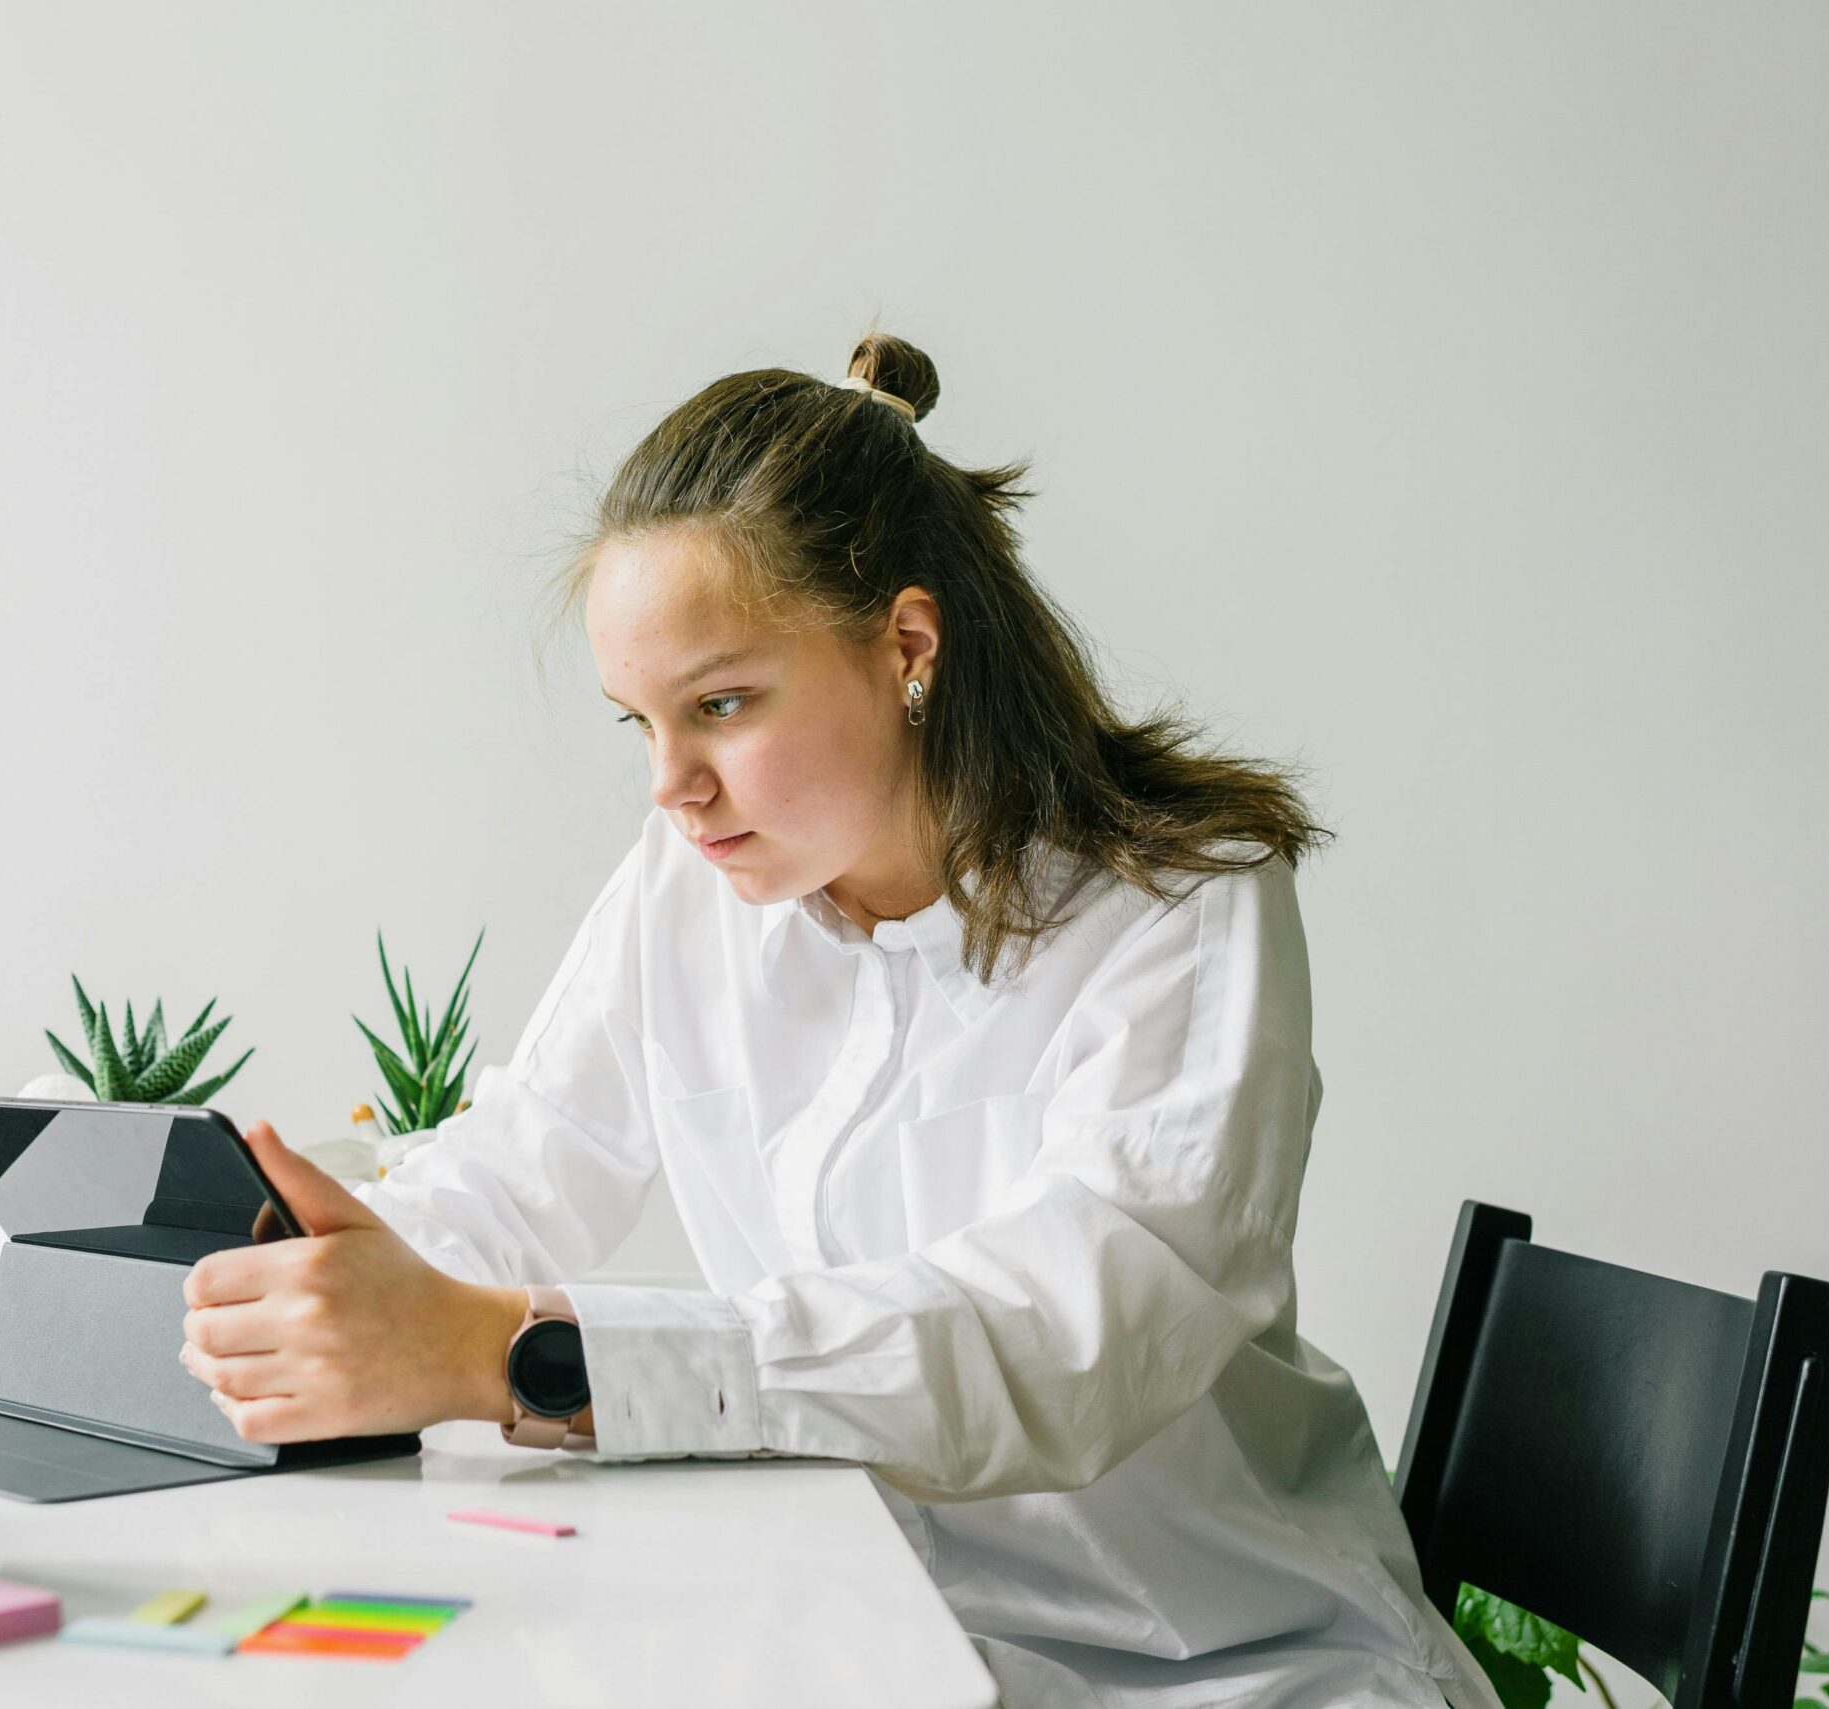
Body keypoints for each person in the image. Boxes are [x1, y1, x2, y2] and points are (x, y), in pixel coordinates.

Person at [178, 333, 1500, 1709]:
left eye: (722, 704)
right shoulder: (688, 888)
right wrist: (313, 1277)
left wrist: (515, 1353)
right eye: (640, 722)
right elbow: (527, 1158)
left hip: (1217, 1669)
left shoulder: (1184, 907)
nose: (672, 785)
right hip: (882, 1627)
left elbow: (1057, 1338)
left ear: (907, 647)